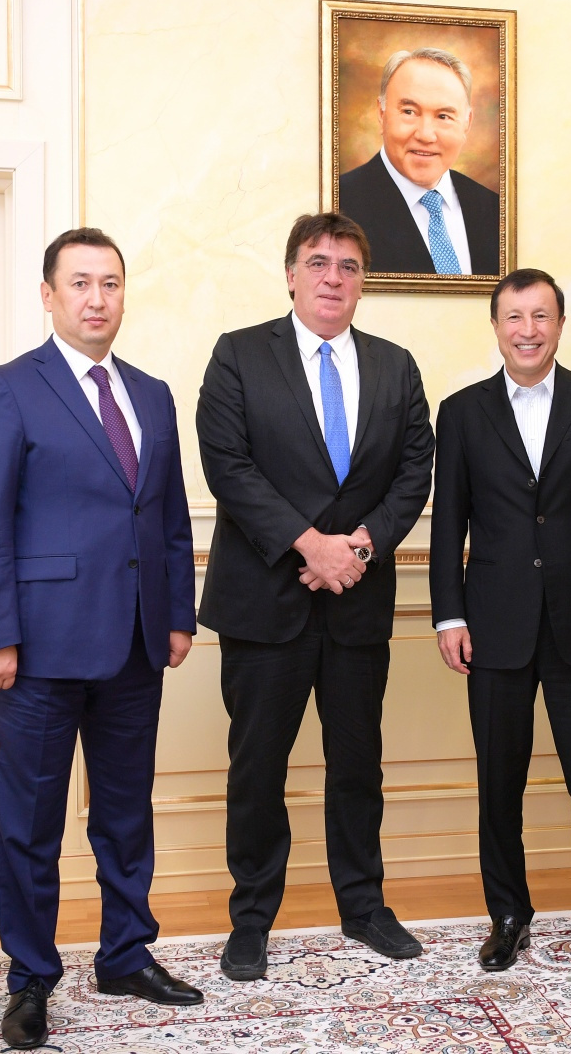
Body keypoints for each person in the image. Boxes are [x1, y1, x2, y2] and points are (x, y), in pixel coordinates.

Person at [0, 228, 202, 1050]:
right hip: (38, 649)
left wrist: (177, 614)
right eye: (81, 283)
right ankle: (30, 978)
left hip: (136, 643)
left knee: (125, 814)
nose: (98, 299)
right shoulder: (6, 389)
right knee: (29, 823)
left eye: (111, 283)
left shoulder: (153, 394)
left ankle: (125, 955)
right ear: (49, 295)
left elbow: (168, 517)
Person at [197, 211, 435, 979]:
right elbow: (227, 465)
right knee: (257, 770)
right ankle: (250, 920)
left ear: (363, 281)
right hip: (264, 603)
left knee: (357, 765)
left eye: (348, 266)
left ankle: (363, 908)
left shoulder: (396, 366)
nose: (333, 277)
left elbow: (414, 470)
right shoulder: (238, 355)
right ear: (291, 274)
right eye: (318, 262)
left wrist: (357, 548)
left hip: (356, 603)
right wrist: (311, 544)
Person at [429, 268, 571, 973]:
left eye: (541, 316)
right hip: (493, 623)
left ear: (560, 324)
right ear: (496, 327)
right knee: (500, 782)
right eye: (514, 317)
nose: (528, 330)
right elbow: (448, 525)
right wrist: (448, 616)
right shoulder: (461, 412)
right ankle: (508, 915)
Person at [339, 47, 500, 276]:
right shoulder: (339, 204)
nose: (425, 135)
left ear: (467, 123)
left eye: (443, 116)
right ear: (381, 113)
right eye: (409, 112)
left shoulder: (495, 210)